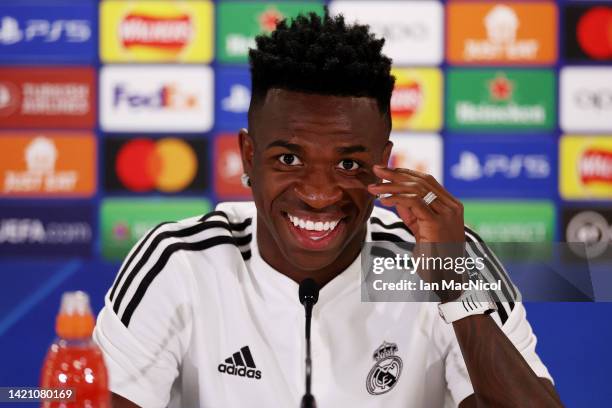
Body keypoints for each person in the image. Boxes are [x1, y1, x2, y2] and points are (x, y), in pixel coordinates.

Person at [94, 11, 562, 408]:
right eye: (289, 159)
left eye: (349, 163)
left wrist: (454, 288)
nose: (319, 194)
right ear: (248, 156)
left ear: (385, 163)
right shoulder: (179, 261)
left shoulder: (447, 259)